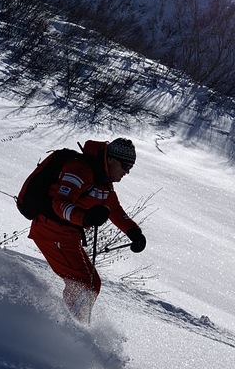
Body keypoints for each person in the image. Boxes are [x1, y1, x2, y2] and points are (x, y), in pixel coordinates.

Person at [28, 138, 146, 324]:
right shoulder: (80, 170)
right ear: (111, 160)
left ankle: (75, 326)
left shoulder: (103, 182)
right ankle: (71, 329)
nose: (127, 171)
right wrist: (85, 217)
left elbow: (114, 210)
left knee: (91, 283)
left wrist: (134, 233)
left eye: (130, 167)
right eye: (125, 165)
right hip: (51, 230)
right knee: (83, 283)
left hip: (67, 235)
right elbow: (59, 203)